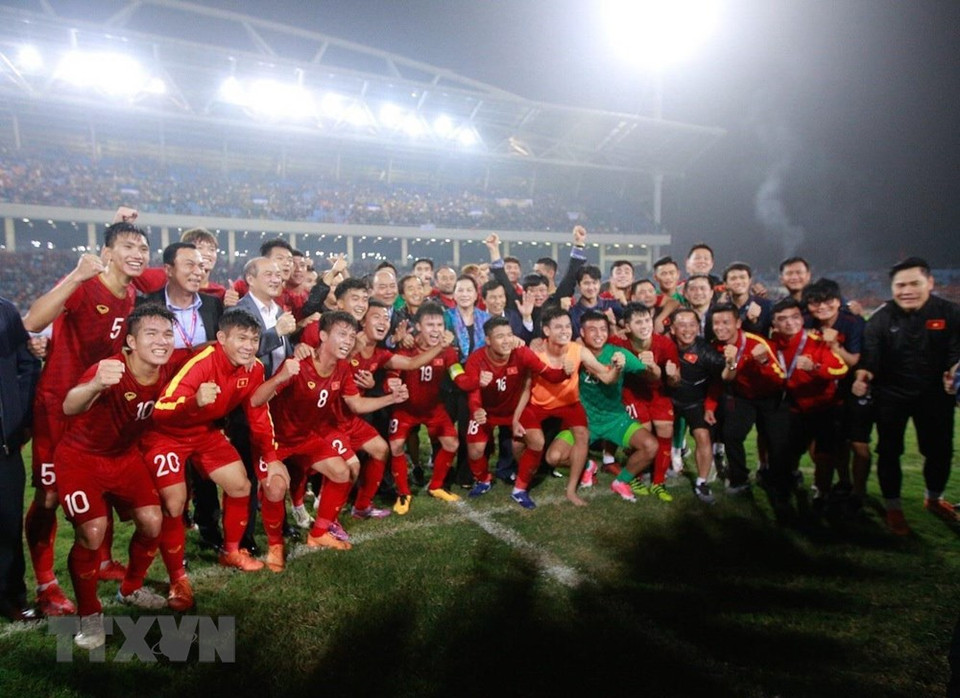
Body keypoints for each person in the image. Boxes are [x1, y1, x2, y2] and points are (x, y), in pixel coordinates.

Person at [23, 221, 150, 616]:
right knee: (48, 496)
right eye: (129, 246)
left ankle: (104, 562)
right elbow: (32, 322)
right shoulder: (85, 283)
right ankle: (46, 583)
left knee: (102, 482)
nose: (139, 253)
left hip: (97, 404)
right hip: (58, 403)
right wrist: (77, 274)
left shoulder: (131, 294)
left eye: (143, 248)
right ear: (108, 253)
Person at [57, 305, 180, 648]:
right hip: (81, 459)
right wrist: (95, 383)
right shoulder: (110, 368)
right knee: (92, 532)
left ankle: (130, 588)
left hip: (124, 458)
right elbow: (69, 405)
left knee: (152, 522)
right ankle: (90, 613)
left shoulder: (168, 368)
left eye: (167, 333)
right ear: (130, 342)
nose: (161, 341)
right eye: (151, 334)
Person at [146, 310, 286, 603]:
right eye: (242, 338)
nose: (249, 346)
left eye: (254, 339)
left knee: (240, 485)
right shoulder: (202, 362)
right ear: (222, 339)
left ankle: (231, 551)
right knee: (174, 503)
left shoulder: (255, 368)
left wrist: (271, 456)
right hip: (167, 435)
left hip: (204, 432)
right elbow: (161, 410)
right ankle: (177, 580)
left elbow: (258, 414)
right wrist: (193, 402)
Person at [252, 312, 412, 552]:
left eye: (351, 335)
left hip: (306, 437)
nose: (348, 340)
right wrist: (281, 377)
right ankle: (275, 546)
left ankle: (318, 534)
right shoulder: (298, 364)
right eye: (341, 334)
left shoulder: (343, 368)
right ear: (323, 335)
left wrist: (392, 398)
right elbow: (256, 399)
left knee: (341, 472)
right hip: (275, 439)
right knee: (275, 488)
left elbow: (356, 404)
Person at [854, 257, 960, 534]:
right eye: (900, 285)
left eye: (915, 283)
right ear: (892, 288)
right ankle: (893, 508)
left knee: (940, 451)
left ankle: (934, 498)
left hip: (936, 396)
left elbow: (956, 351)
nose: (907, 290)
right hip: (891, 396)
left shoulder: (950, 313)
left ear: (930, 283)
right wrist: (865, 374)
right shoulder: (880, 318)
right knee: (889, 451)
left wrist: (954, 370)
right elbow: (871, 357)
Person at [512, 306, 623, 508]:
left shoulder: (578, 350)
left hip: (569, 403)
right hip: (538, 404)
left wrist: (617, 368)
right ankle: (527, 473)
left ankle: (572, 490)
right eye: (558, 327)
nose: (565, 330)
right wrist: (516, 418)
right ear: (546, 331)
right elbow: (526, 388)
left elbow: (607, 378)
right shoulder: (536, 350)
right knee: (518, 446)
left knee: (582, 436)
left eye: (567, 326)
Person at [548, 310, 659, 503]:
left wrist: (651, 367)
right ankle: (587, 465)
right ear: (582, 332)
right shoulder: (573, 351)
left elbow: (651, 378)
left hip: (615, 418)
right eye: (592, 330)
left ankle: (622, 481)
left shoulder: (619, 354)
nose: (599, 334)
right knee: (554, 457)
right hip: (584, 421)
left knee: (651, 446)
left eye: (603, 329)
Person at [458, 316, 570, 496]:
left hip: (515, 410)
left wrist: (565, 372)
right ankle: (484, 479)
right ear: (488, 340)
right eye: (500, 336)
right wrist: (477, 409)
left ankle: (520, 488)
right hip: (486, 412)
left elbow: (550, 375)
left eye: (509, 335)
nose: (507, 340)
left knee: (537, 441)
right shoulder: (476, 359)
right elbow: (473, 391)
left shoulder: (522, 353)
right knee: (475, 450)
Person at [387, 303, 471, 513]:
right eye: (430, 324)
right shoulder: (407, 347)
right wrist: (391, 384)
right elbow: (392, 375)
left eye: (440, 325)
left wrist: (471, 381)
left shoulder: (449, 352)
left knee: (451, 443)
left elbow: (457, 374)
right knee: (396, 446)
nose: (436, 329)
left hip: (434, 408)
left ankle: (436, 486)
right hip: (406, 409)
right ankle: (404, 493)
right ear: (418, 326)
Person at [769, 298, 849, 512]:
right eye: (782, 319)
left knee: (824, 455)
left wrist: (815, 367)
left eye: (794, 317)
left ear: (802, 318)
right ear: (774, 324)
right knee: (787, 453)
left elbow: (840, 369)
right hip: (795, 408)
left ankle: (821, 494)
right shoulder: (773, 342)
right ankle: (785, 490)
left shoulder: (818, 340)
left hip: (825, 408)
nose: (789, 323)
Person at [712, 304, 790, 500]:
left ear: (738, 323)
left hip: (770, 397)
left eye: (726, 322)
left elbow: (781, 376)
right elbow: (722, 379)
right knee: (731, 434)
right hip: (743, 397)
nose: (720, 327)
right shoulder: (716, 346)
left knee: (775, 440)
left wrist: (763, 361)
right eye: (716, 323)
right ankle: (739, 480)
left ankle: (776, 481)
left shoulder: (757, 342)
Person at [610, 303, 680, 500]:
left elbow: (675, 381)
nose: (644, 326)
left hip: (657, 393)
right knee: (644, 431)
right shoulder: (618, 342)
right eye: (638, 322)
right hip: (631, 393)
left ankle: (659, 483)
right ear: (628, 327)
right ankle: (634, 475)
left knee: (666, 429)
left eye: (647, 320)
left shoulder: (665, 344)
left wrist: (671, 375)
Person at [0, 295, 40, 622]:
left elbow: (28, 365)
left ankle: (11, 597)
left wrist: (21, 419)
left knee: (7, 523)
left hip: (4, 444)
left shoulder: (5, 311)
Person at [668, 307, 726, 503]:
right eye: (682, 325)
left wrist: (710, 406)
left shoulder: (706, 352)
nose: (687, 330)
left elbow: (720, 380)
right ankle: (656, 470)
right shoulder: (664, 345)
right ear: (673, 329)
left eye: (692, 325)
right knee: (657, 431)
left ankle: (701, 482)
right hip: (669, 399)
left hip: (695, 402)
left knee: (703, 436)